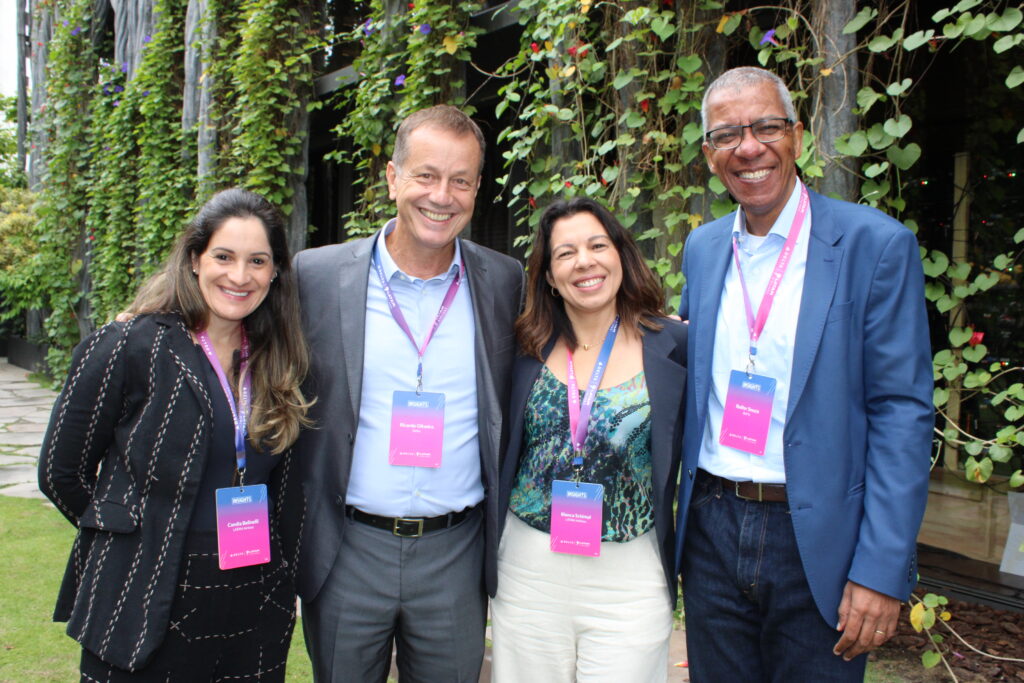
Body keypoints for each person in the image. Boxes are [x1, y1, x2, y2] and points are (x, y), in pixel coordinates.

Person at [673, 65, 933, 681]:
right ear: (710, 154)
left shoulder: (876, 246)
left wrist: (879, 568)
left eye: (766, 126)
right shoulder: (704, 249)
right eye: (727, 134)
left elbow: (903, 414)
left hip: (819, 540)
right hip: (711, 530)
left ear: (796, 134)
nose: (749, 148)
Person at [38, 188, 312, 681]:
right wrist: (130, 539)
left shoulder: (280, 360)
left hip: (250, 607)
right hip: (143, 601)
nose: (239, 275)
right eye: (223, 256)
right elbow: (62, 473)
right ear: (193, 259)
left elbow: (286, 487)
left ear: (275, 274)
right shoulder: (130, 345)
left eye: (257, 261)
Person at [293, 105, 524, 682]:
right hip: (348, 550)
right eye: (425, 175)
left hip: (456, 553)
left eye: (460, 180)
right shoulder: (315, 277)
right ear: (393, 178)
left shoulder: (504, 281)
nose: (441, 195)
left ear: (476, 190)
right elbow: (238, 328)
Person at [490, 197, 687, 682]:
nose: (585, 262)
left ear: (621, 254)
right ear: (550, 277)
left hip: (631, 576)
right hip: (529, 570)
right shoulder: (521, 347)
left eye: (598, 245)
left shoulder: (676, 346)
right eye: (565, 253)